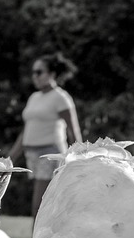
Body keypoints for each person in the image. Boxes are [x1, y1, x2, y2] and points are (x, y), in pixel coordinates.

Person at [7, 53, 82, 216]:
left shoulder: (61, 98)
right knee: (42, 204)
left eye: (39, 72)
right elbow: (27, 129)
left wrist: (79, 159)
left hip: (49, 153)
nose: (35, 76)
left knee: (39, 205)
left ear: (52, 74)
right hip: (32, 155)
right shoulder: (34, 97)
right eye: (33, 72)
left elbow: (73, 130)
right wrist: (11, 156)